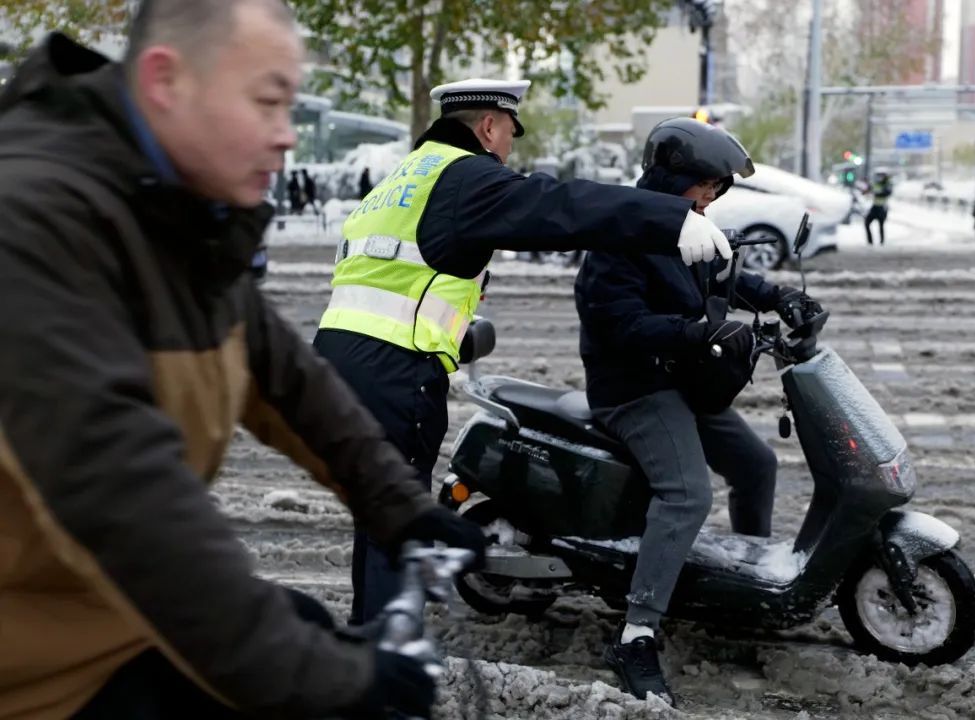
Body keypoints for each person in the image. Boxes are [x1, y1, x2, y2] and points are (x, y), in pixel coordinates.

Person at [0, 2, 485, 719]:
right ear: (167, 81)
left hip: (108, 617)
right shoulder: (34, 222)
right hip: (35, 664)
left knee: (308, 634)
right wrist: (325, 679)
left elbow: (284, 376)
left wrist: (402, 510)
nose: (287, 135)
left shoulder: (178, 211)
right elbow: (125, 494)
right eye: (267, 102)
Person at [313, 77, 733, 626]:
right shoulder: (466, 176)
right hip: (395, 373)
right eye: (510, 130)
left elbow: (395, 275)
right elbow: (558, 204)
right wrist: (670, 218)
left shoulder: (401, 179)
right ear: (489, 126)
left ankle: (370, 646)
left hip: (335, 369)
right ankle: (383, 669)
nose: (511, 145)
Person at [574, 118, 825, 705]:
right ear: (674, 178)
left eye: (719, 187)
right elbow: (617, 322)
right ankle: (636, 634)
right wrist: (695, 332)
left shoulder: (689, 224)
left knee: (757, 464)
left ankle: (744, 596)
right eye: (707, 184)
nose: (713, 195)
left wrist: (779, 298)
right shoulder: (620, 232)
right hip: (634, 389)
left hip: (682, 379)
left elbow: (723, 271)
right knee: (688, 494)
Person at [864, 170, 892, 245]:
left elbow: (887, 193)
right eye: (878, 176)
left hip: (882, 208)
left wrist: (877, 193)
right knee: (867, 223)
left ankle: (882, 242)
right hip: (875, 207)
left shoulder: (886, 185)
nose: (879, 177)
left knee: (881, 225)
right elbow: (866, 190)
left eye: (881, 176)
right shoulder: (875, 184)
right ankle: (870, 241)